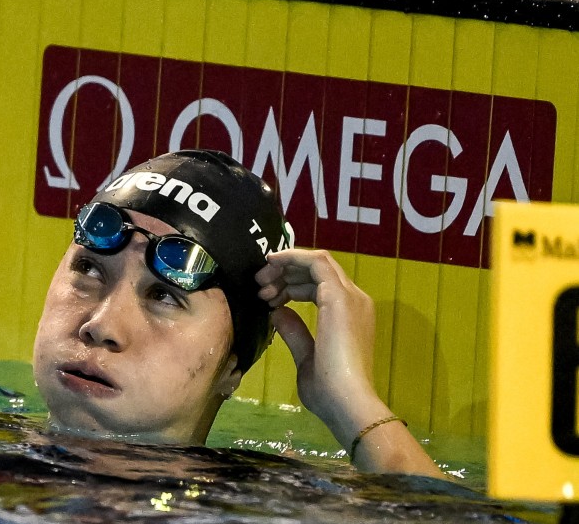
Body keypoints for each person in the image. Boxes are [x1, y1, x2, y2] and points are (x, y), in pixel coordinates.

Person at [32, 149, 443, 478]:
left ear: (231, 367)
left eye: (163, 296)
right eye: (88, 269)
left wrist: (353, 406)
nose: (101, 326)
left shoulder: (277, 509)